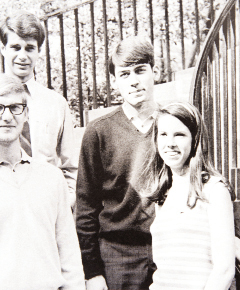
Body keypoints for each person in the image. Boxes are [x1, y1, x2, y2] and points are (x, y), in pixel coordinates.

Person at [0, 73, 85, 290]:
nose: (7, 116)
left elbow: (69, 259)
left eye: (15, 107)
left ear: (26, 114)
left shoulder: (51, 178)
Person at [0, 11, 77, 208]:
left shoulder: (56, 104)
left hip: (45, 206)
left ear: (39, 51)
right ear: (3, 48)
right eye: (15, 47)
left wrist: (64, 204)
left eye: (29, 48)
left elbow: (71, 168)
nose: (22, 56)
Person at [76, 35, 159, 290]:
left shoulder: (173, 126)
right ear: (115, 82)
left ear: (155, 71)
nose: (133, 81)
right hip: (118, 256)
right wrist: (92, 272)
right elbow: (86, 206)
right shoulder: (99, 131)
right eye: (124, 74)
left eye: (140, 71)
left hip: (168, 247)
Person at [139, 102, 235, 290]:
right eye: (164, 135)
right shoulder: (164, 194)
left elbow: (224, 270)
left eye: (180, 135)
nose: (170, 143)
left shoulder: (214, 190)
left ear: (195, 139)